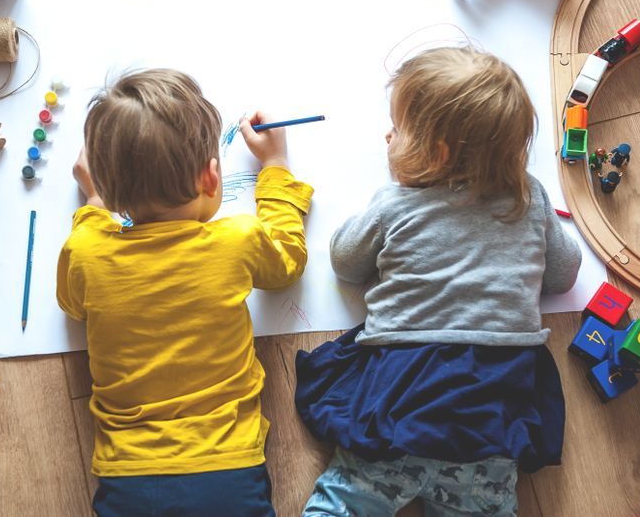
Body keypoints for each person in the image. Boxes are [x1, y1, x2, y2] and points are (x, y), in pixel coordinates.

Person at [296, 47, 581, 517]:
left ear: (437, 154)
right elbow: (564, 274)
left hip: (396, 397)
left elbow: (346, 262)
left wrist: (392, 189)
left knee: (350, 496)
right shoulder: (529, 199)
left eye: (401, 131)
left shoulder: (397, 203)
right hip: (490, 414)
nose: (390, 137)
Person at [56, 68, 313, 517]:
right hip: (229, 465)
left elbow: (71, 304)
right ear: (211, 178)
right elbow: (287, 260)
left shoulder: (86, 251)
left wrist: (94, 204)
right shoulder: (237, 241)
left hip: (126, 472)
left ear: (105, 184)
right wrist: (275, 168)